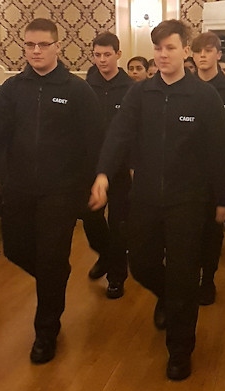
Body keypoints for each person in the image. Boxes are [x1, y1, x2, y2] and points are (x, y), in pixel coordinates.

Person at [89, 19, 225, 381]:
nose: (163, 54)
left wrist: (224, 200)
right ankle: (170, 297)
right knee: (143, 266)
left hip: (189, 202)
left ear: (186, 51)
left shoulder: (204, 97)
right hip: (146, 199)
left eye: (170, 47)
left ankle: (180, 350)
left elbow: (218, 153)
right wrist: (103, 173)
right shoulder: (140, 94)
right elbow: (119, 136)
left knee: (184, 276)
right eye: (157, 48)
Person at [0, 18, 103, 365]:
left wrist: (97, 179)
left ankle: (45, 332)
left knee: (49, 257)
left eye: (43, 45)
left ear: (57, 46)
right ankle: (55, 273)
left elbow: (94, 141)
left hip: (60, 192)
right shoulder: (14, 88)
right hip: (19, 188)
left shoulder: (76, 91)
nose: (36, 51)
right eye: (30, 45)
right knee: (17, 250)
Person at [190, 32, 225, 305]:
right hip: (187, 174)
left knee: (211, 233)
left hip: (217, 175)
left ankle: (208, 278)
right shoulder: (185, 87)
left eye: (207, 51)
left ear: (217, 54)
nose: (202, 56)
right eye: (198, 51)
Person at [84, 32, 134, 299]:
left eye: (107, 54)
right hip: (90, 167)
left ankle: (117, 276)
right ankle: (105, 255)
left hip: (121, 169)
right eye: (97, 55)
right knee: (90, 218)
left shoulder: (130, 89)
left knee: (119, 226)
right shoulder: (85, 86)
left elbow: (136, 131)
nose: (102, 60)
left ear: (118, 54)